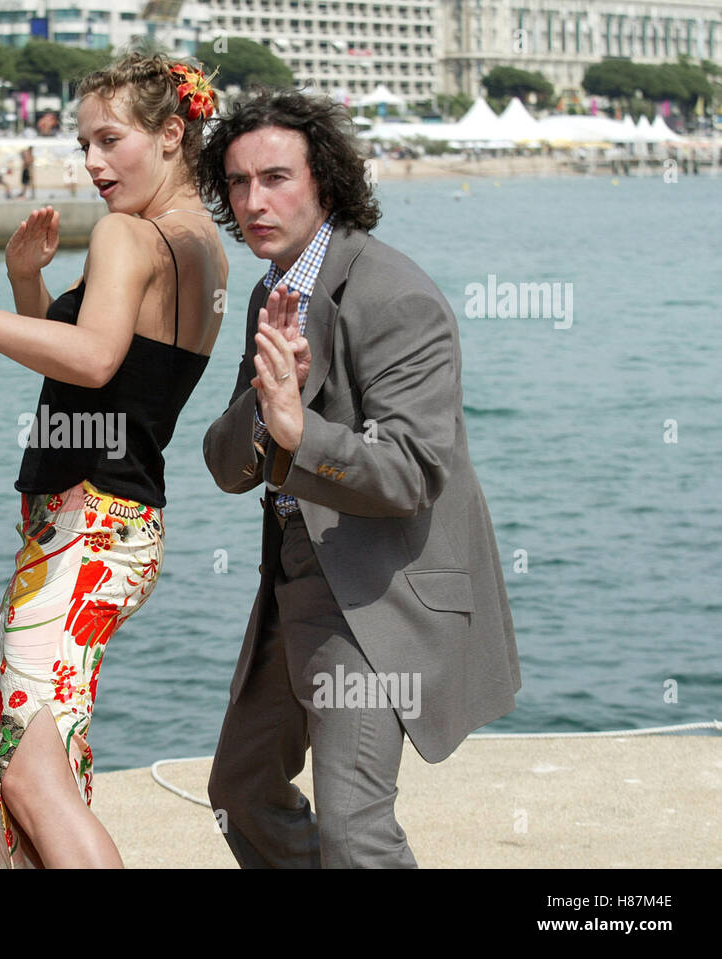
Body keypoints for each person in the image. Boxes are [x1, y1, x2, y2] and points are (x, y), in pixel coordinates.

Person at [0, 54, 225, 868]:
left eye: (111, 141)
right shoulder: (202, 244)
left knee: (21, 762)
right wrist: (23, 281)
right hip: (112, 526)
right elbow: (90, 368)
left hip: (89, 523)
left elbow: (96, 360)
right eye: (84, 145)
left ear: (173, 135)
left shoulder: (128, 234)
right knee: (11, 752)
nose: (93, 164)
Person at [196, 91, 520, 868]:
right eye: (238, 183)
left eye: (275, 177)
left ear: (327, 186)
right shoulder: (271, 293)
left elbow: (413, 470)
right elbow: (225, 465)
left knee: (354, 829)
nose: (253, 201)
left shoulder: (395, 295)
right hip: (295, 580)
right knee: (243, 791)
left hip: (376, 591)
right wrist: (268, 413)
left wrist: (302, 433)